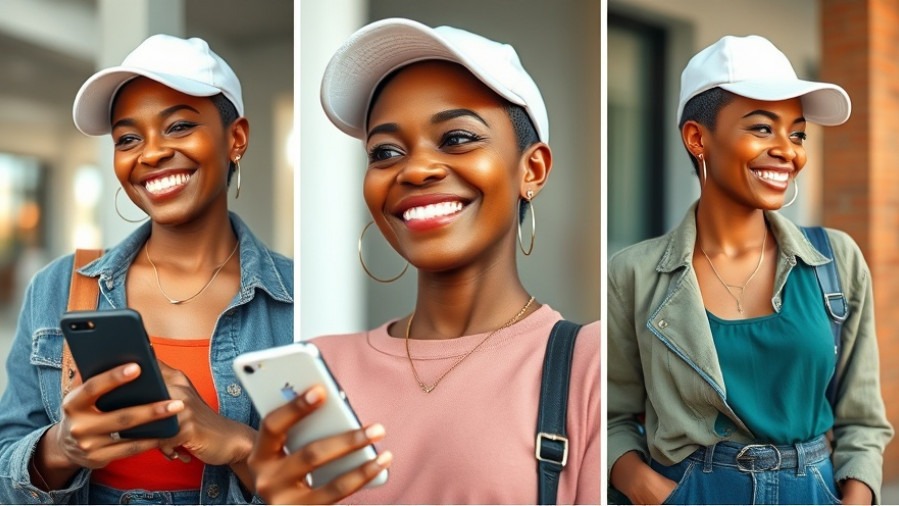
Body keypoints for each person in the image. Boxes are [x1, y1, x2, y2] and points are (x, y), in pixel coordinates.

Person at [246, 18, 599, 504]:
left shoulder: (589, 363)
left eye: (457, 138)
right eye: (385, 151)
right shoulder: (319, 369)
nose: (414, 170)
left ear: (531, 170)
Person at [0, 34, 293, 504]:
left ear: (236, 138)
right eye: (128, 139)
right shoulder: (58, 287)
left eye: (179, 126)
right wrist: (59, 448)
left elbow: (331, 487)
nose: (151, 153)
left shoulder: (296, 299)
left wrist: (239, 443)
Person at [608, 35, 892, 505]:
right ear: (697, 138)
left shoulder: (836, 261)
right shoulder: (632, 274)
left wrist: (856, 498)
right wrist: (650, 490)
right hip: (690, 492)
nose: (788, 151)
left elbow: (862, 421)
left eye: (797, 134)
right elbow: (611, 417)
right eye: (762, 128)